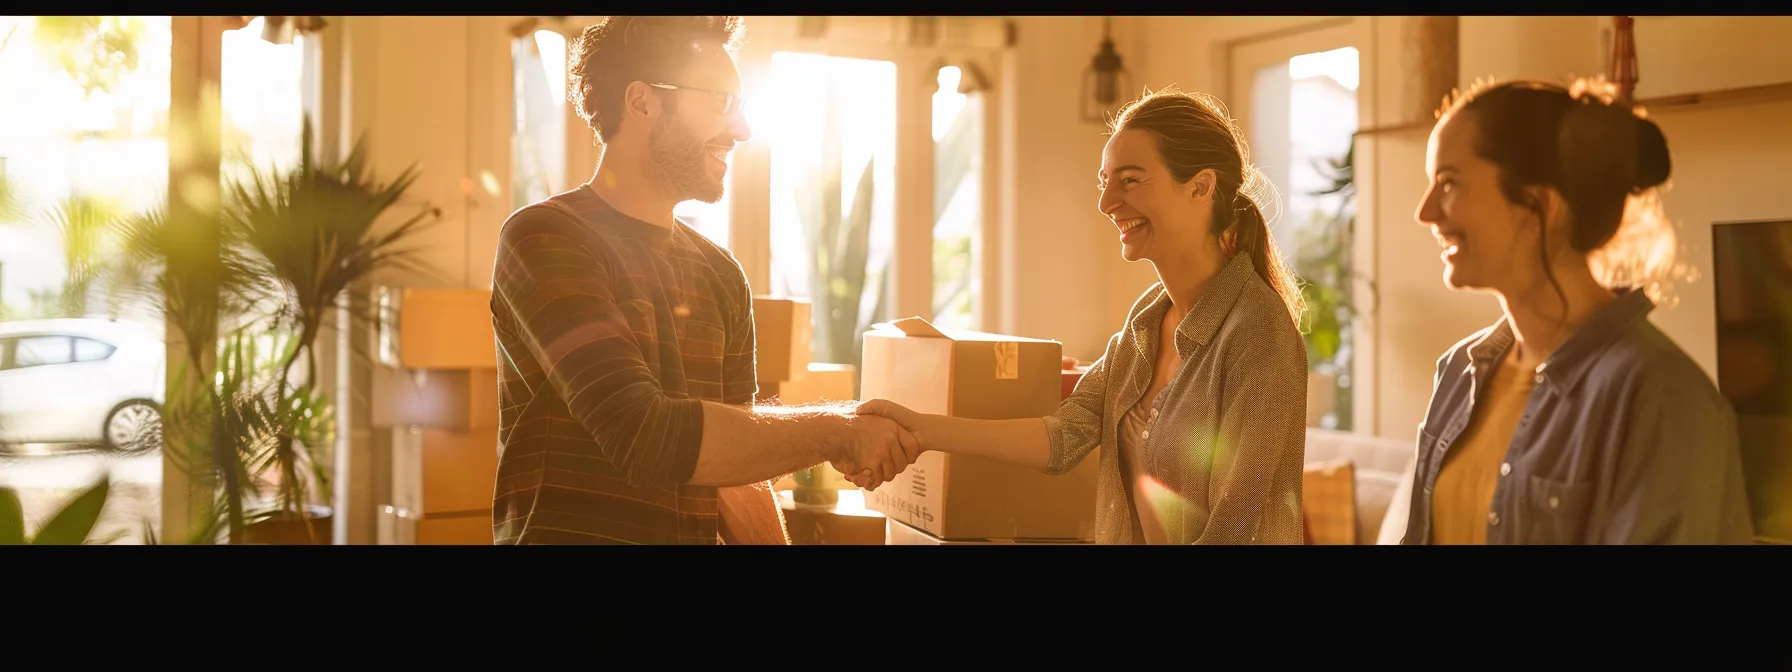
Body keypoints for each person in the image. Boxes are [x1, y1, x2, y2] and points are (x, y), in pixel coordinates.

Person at [488, 16, 918, 545]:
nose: (742, 130)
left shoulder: (720, 274)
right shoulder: (545, 238)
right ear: (642, 102)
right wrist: (837, 431)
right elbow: (642, 435)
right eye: (720, 101)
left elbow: (734, 476)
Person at [857, 88, 1310, 545]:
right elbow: (1064, 437)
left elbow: (1237, 525)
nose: (1106, 202)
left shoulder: (1259, 331)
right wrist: (924, 429)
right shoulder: (1146, 323)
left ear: (1200, 186)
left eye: (1130, 180)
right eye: (1105, 181)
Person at [1402, 77, 1755, 545]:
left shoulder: (1661, 397)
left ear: (1540, 206)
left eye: (1449, 182)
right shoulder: (1457, 372)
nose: (1424, 213)